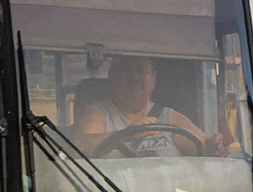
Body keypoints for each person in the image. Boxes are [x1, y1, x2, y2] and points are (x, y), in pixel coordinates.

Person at [74, 55, 217, 157]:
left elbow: (201, 144)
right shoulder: (97, 114)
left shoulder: (168, 116)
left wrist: (214, 145)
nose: (134, 78)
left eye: (141, 70)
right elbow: (81, 148)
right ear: (114, 76)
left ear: (153, 79)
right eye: (127, 70)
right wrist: (126, 134)